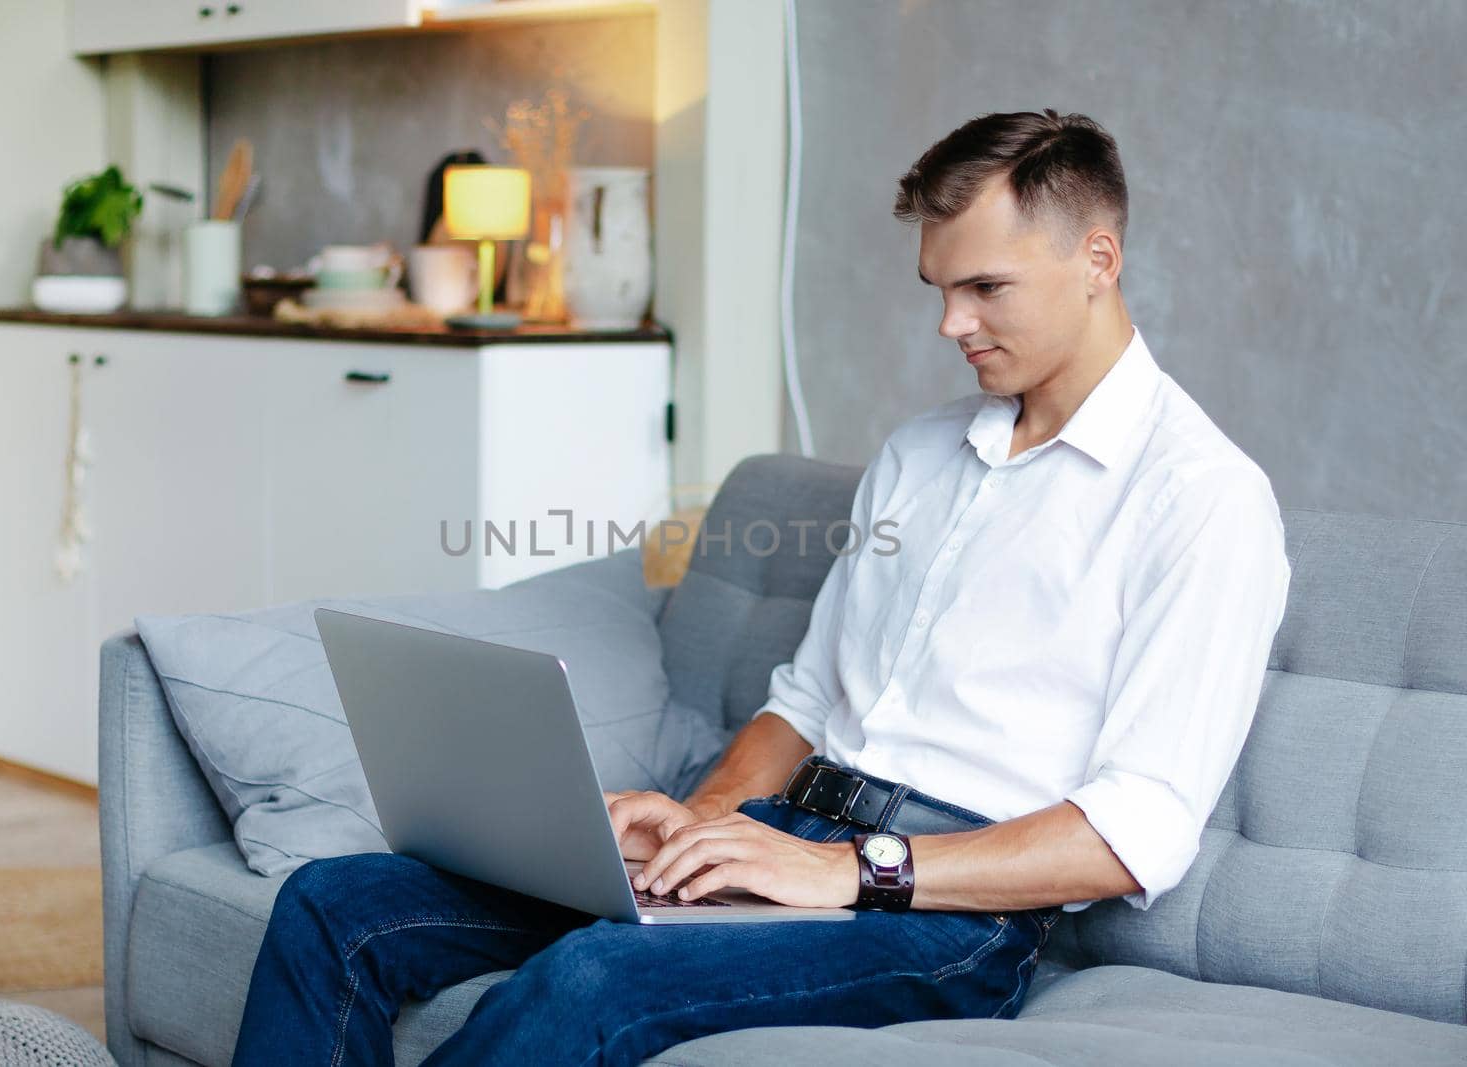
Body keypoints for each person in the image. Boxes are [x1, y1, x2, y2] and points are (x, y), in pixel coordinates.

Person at [230, 109, 1292, 1067]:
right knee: (336, 901)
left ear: (1096, 258)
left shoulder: (1200, 499)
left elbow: (1131, 831)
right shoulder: (921, 456)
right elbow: (806, 700)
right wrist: (695, 823)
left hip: (935, 912)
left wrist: (852, 872)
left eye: (985, 288)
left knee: (588, 979)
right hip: (784, 828)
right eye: (939, 289)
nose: (949, 324)